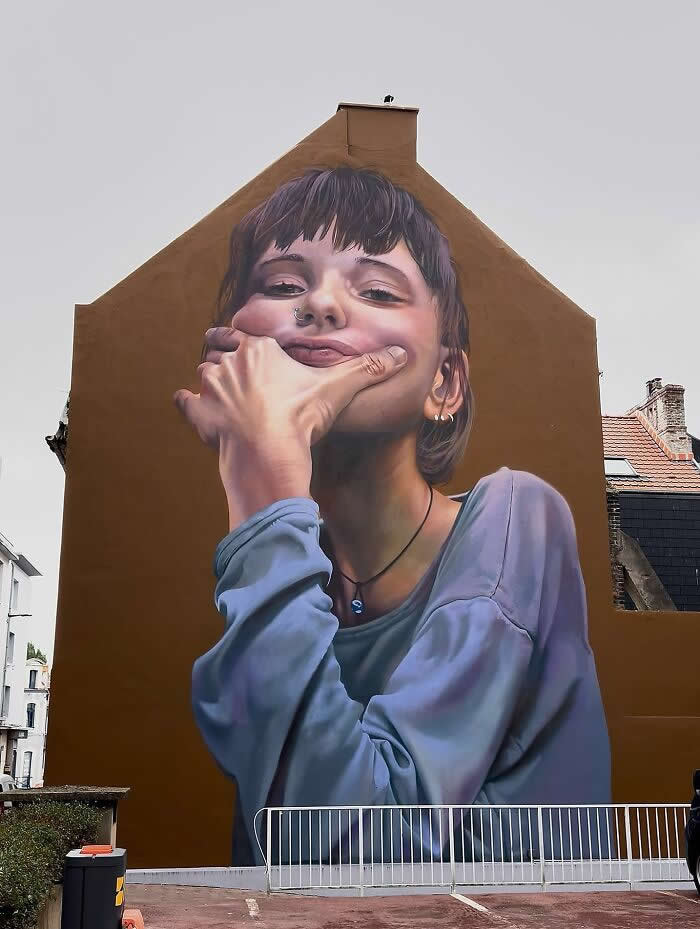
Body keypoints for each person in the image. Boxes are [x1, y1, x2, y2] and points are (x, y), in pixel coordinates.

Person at [174, 166, 611, 866]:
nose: (318, 304)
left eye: (377, 290)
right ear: (230, 347)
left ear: (445, 382)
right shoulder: (286, 558)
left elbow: (354, 853)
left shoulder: (516, 519)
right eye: (284, 284)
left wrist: (260, 479)